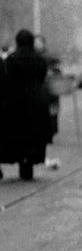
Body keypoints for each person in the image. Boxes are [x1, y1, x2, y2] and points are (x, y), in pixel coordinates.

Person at [0, 29, 50, 181]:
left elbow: (6, 79)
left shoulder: (11, 59)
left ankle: (16, 158)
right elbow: (42, 77)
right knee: (33, 135)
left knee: (15, 133)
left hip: (15, 102)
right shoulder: (40, 59)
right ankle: (27, 166)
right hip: (36, 101)